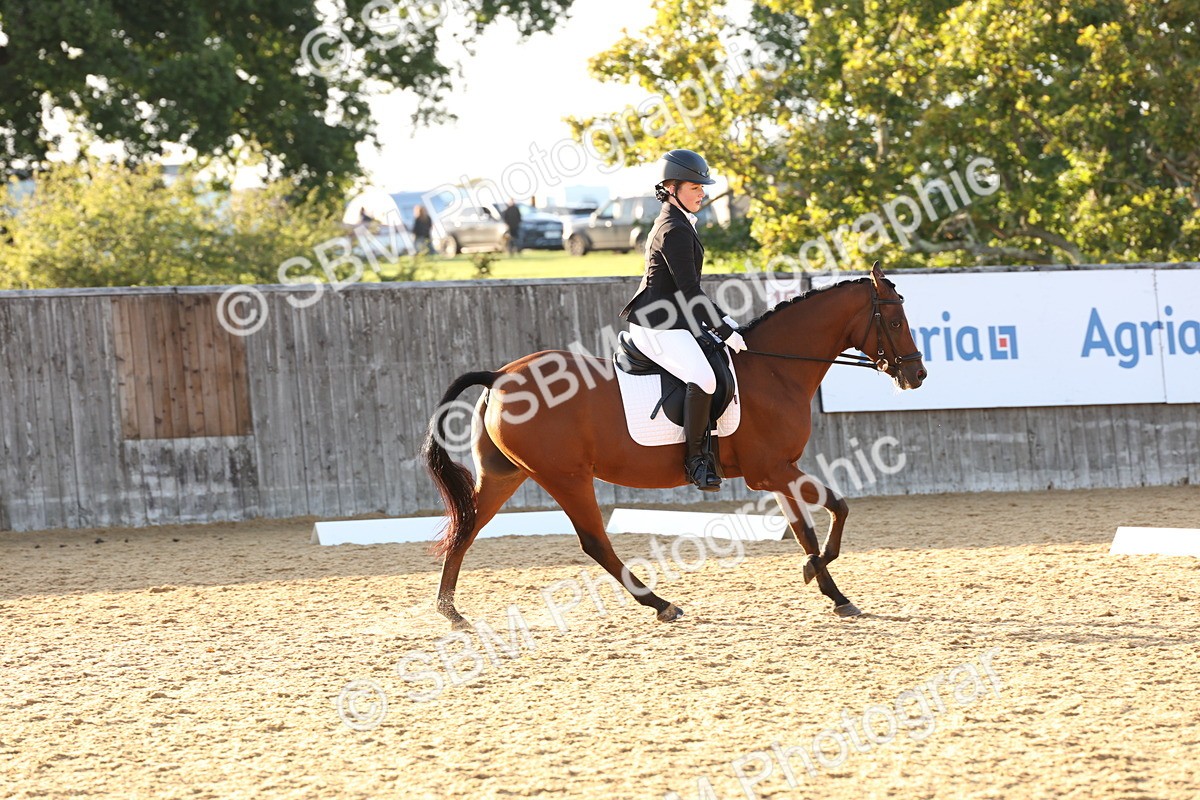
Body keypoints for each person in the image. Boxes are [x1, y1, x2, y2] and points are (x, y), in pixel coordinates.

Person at [619, 149, 746, 492]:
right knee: (703, 378)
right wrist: (722, 328)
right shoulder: (672, 229)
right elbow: (690, 291)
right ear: (671, 188)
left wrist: (724, 321)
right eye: (695, 187)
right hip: (655, 324)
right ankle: (696, 462)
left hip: (675, 318)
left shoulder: (680, 222)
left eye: (703, 187)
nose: (703, 192)